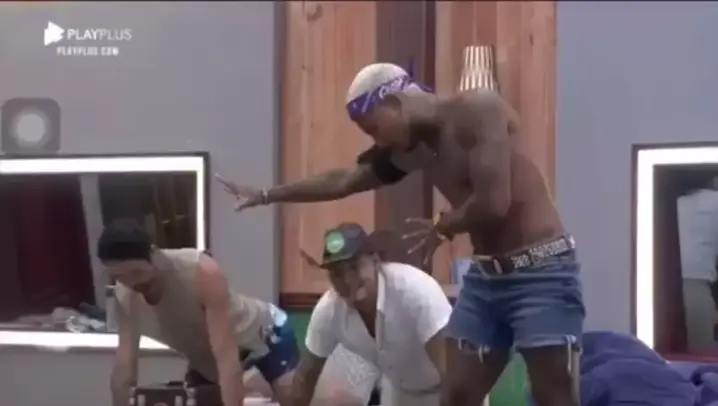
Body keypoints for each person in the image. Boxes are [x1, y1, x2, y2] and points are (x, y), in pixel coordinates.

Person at [217, 62, 584, 406]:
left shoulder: (477, 111)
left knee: (553, 395)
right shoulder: (415, 151)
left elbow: (494, 202)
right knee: (457, 395)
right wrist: (266, 195)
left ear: (395, 102)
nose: (378, 142)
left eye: (374, 129)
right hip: (487, 278)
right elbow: (344, 181)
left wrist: (443, 225)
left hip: (541, 269)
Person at [99, 219, 298, 406]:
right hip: (208, 359)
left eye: (137, 273)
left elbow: (226, 357)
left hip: (266, 336)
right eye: (120, 277)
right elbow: (124, 368)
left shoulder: (200, 271)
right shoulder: (125, 296)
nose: (132, 283)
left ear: (154, 254)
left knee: (283, 397)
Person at [290, 223, 452, 406]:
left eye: (354, 267)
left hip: (447, 392)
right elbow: (305, 378)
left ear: (374, 261)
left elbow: (450, 373)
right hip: (399, 392)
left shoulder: (416, 291)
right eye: (337, 273)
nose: (348, 280)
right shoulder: (329, 309)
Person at [676, 176, 718, 352]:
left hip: (661, 286)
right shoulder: (715, 202)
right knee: (702, 353)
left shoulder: (679, 202)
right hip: (695, 283)